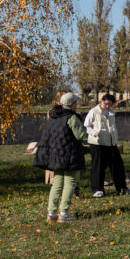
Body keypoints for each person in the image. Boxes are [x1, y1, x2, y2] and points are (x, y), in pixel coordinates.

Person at [34, 92, 88, 222]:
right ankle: (64, 213)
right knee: (70, 183)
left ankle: (51, 213)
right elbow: (80, 135)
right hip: (70, 155)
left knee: (57, 183)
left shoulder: (53, 116)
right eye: (76, 102)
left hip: (55, 155)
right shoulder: (71, 117)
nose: (77, 104)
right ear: (72, 104)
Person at [85, 93, 128, 197]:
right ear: (101, 101)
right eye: (106, 104)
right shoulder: (93, 111)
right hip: (98, 143)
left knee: (117, 166)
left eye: (110, 104)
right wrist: (94, 133)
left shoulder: (111, 112)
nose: (108, 106)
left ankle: (121, 188)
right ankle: (97, 190)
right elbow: (87, 126)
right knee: (98, 167)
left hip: (111, 143)